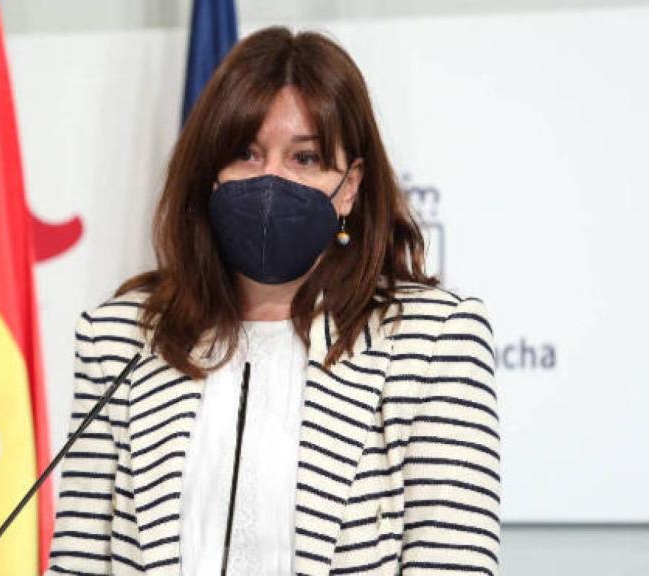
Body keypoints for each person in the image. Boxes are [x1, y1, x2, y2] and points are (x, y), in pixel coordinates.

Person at [47, 26, 500, 576]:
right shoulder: (118, 338)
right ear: (211, 175)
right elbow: (78, 564)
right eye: (246, 153)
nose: (271, 180)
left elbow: (454, 563)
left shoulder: (433, 340)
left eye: (304, 158)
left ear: (350, 185)